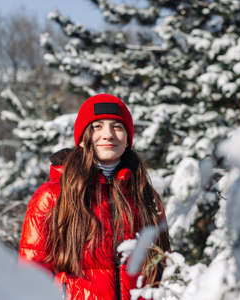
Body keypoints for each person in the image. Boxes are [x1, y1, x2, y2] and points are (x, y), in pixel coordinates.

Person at [19, 94, 170, 300]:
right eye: (97, 126)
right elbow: (31, 275)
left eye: (117, 127)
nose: (108, 135)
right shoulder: (53, 196)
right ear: (82, 138)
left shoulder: (145, 196)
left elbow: (161, 267)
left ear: (127, 139)